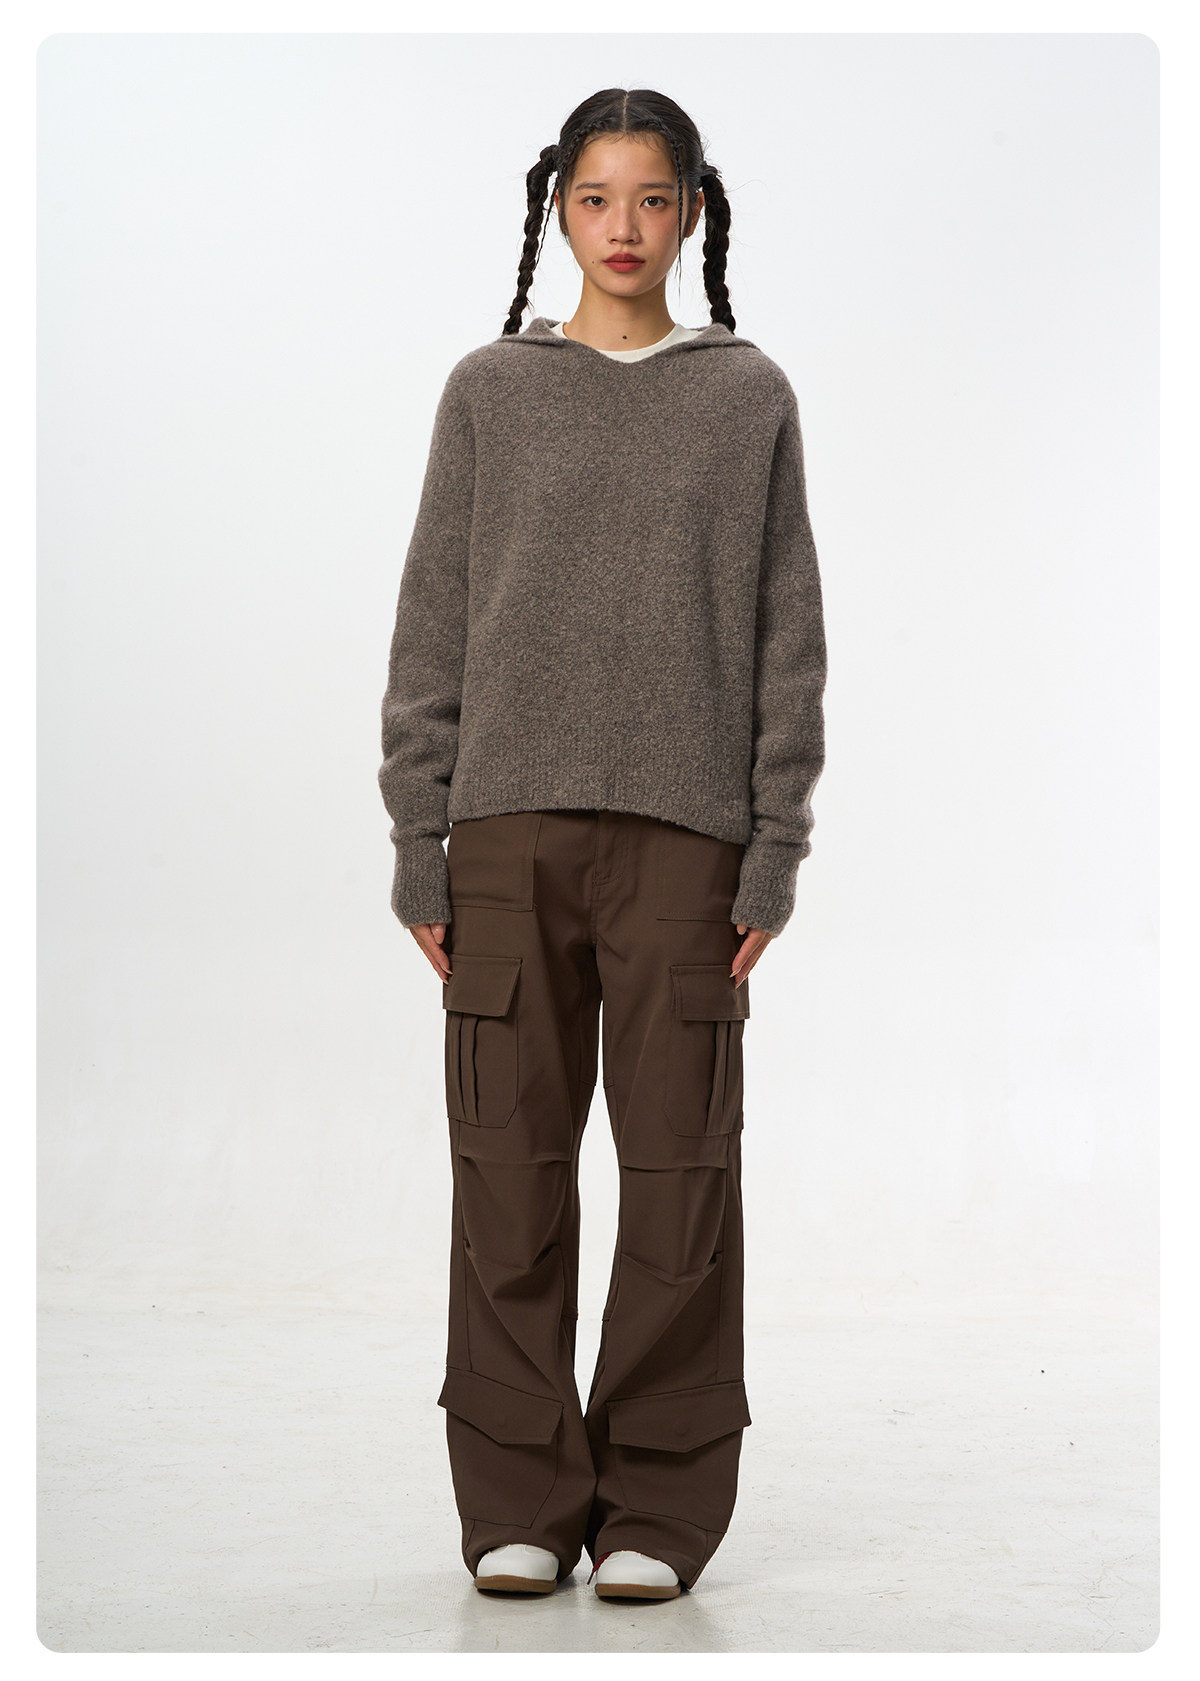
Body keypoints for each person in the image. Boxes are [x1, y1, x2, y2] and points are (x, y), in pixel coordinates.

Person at [377, 86, 827, 1603]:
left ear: (692, 212)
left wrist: (774, 847)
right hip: (506, 837)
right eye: (594, 197)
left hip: (690, 845)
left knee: (682, 1171)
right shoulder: (490, 391)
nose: (622, 228)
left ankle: (657, 1506)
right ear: (554, 208)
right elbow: (433, 621)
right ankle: (517, 1493)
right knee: (506, 1172)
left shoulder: (748, 396)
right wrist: (419, 834)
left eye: (650, 198)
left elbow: (787, 637)